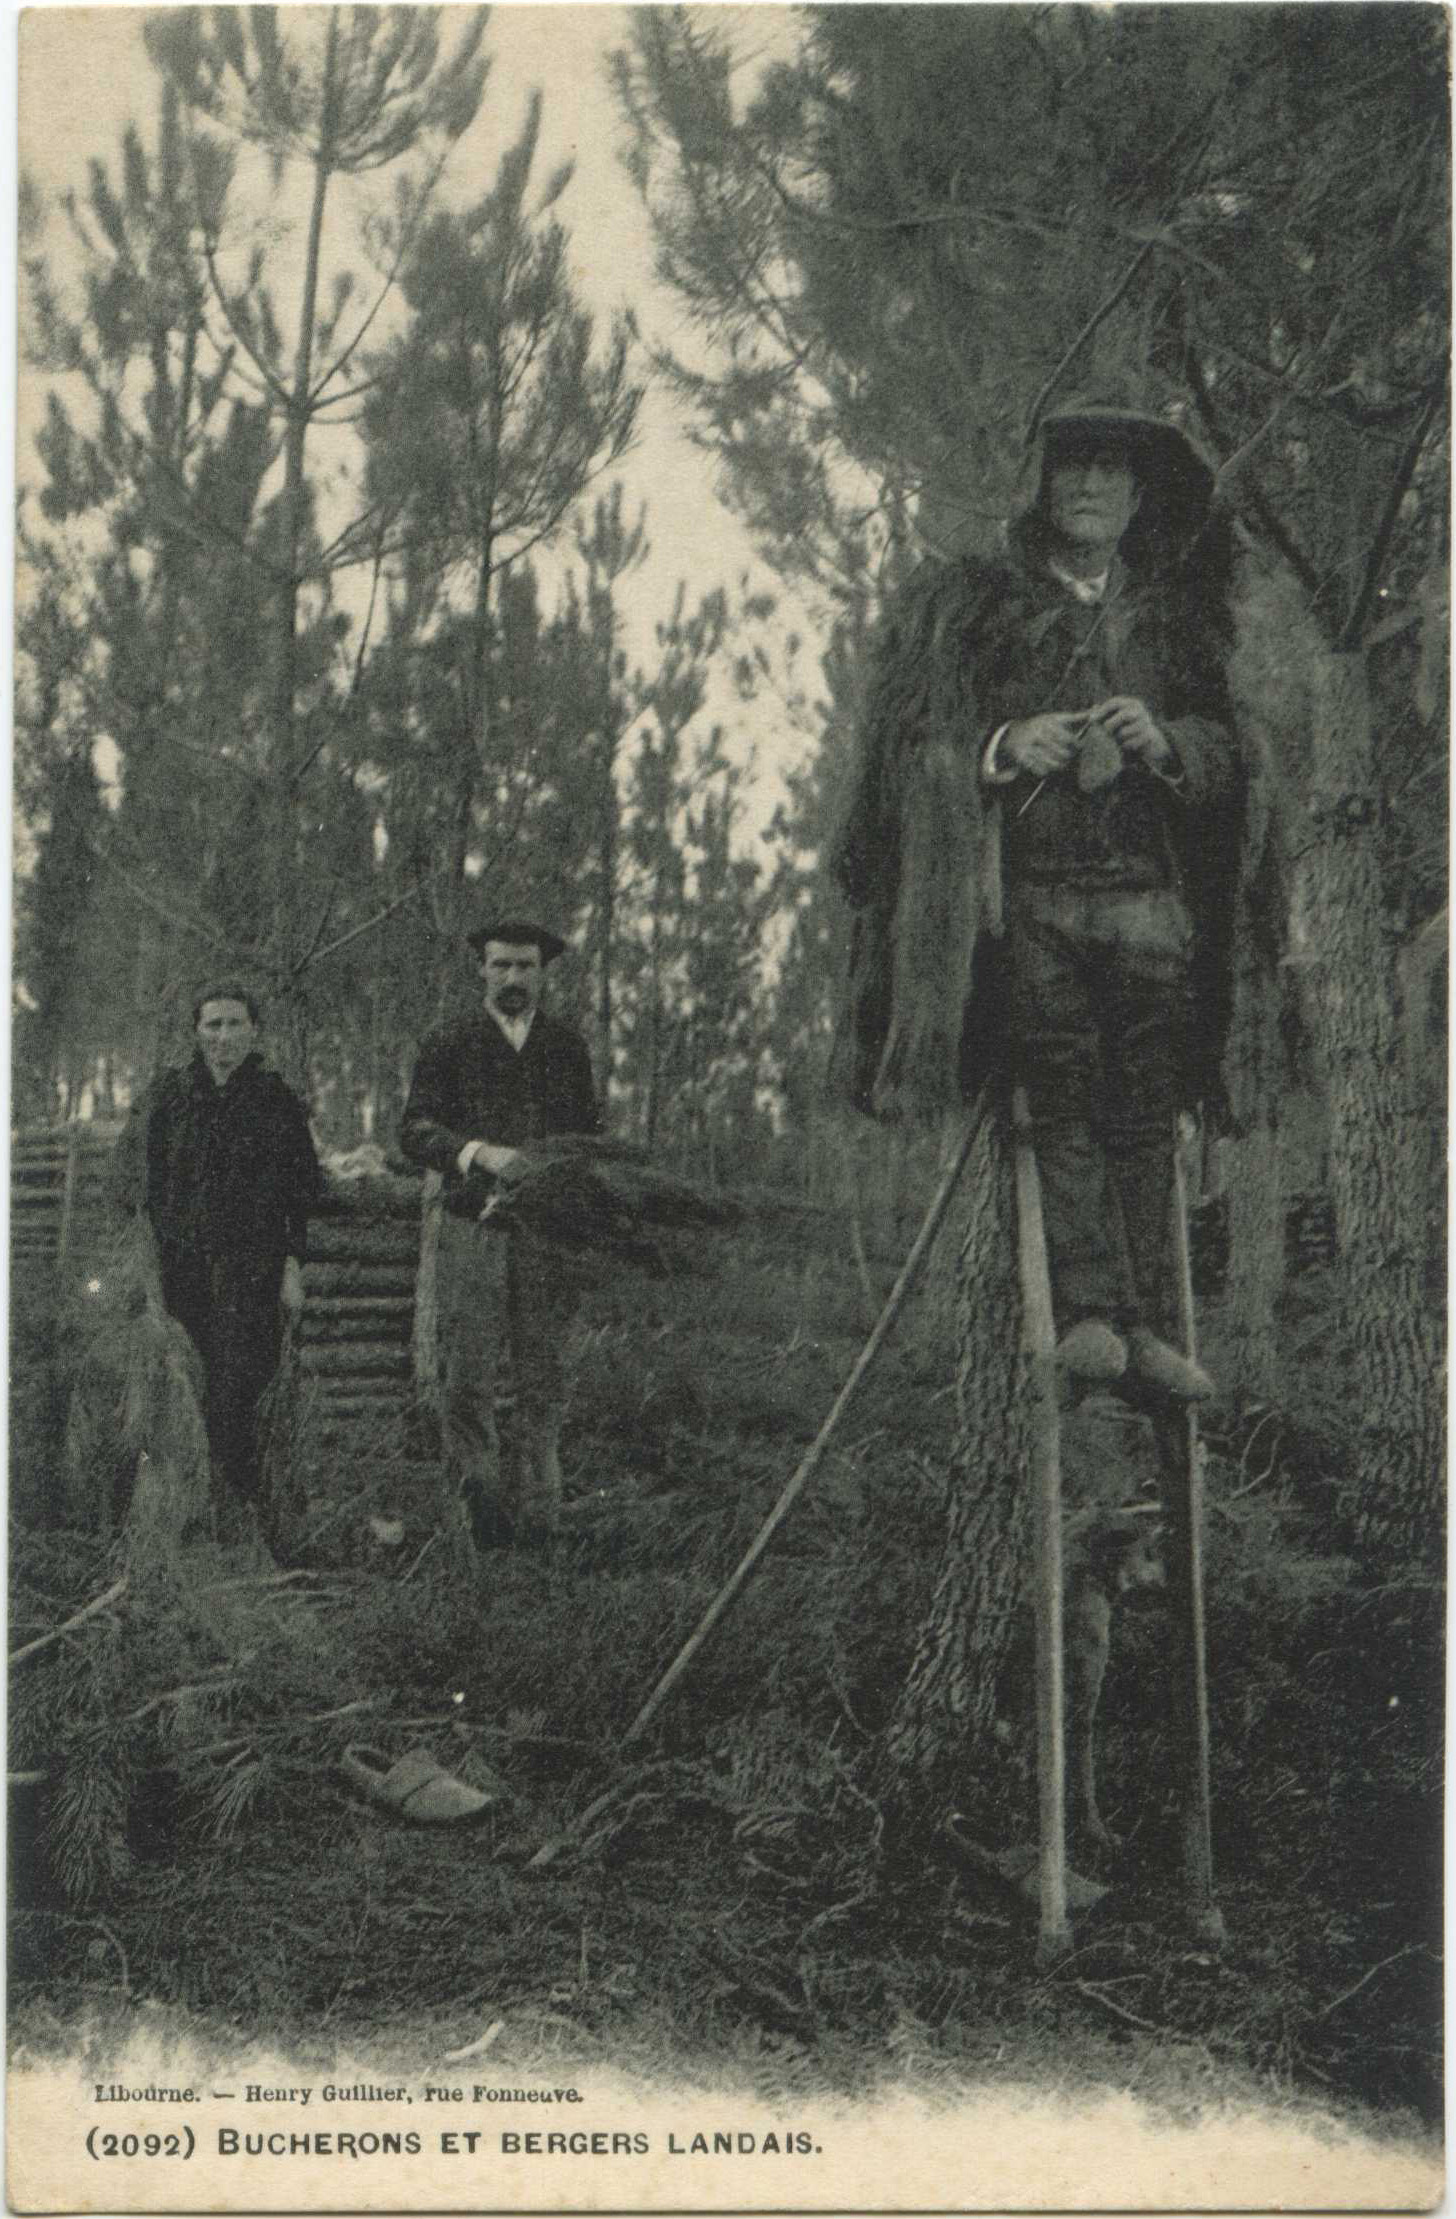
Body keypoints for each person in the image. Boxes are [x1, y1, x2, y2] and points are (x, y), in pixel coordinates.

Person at [834, 394, 1251, 1403]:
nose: (1091, 486)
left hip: (1151, 905)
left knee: (1146, 1112)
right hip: (1033, 903)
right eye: (1072, 468)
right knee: (1059, 1098)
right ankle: (1089, 1317)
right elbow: (892, 756)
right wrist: (994, 748)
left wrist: (1168, 743)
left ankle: (1146, 1326)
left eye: (1112, 471)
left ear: (1140, 491)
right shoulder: (971, 608)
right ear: (1041, 487)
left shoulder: (1174, 622)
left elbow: (1238, 753)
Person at [400, 918, 603, 1547]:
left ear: (543, 974)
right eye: (501, 966)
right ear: (481, 971)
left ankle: (541, 1526)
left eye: (526, 966)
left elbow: (585, 1138)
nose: (513, 978)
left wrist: (558, 1181)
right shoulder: (449, 1041)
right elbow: (413, 1133)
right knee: (469, 1382)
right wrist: (480, 1154)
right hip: (473, 1232)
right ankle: (477, 1525)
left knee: (544, 1381)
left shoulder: (566, 1047)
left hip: (545, 1237)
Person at [114, 981, 322, 1521]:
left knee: (241, 1386)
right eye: (213, 1025)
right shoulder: (170, 1098)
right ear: (196, 1032)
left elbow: (302, 1193)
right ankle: (180, 1510)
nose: (224, 1037)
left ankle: (237, 1511)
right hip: (179, 1272)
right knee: (181, 1382)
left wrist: (291, 1266)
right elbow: (132, 1180)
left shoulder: (277, 1102)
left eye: (235, 1025)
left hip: (252, 1274)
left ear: (254, 1032)